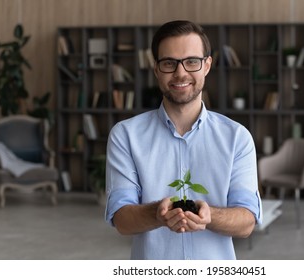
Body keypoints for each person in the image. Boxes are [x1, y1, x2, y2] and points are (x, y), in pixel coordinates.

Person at [105, 20, 262, 260]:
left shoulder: (237, 137)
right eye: (169, 63)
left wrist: (210, 216)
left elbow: (247, 221)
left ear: (207, 65)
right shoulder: (125, 136)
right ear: (156, 68)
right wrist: (157, 214)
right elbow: (122, 220)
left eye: (191, 61)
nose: (180, 73)